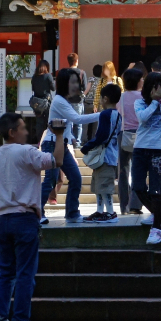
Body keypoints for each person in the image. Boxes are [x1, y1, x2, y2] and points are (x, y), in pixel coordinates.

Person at [0, 112, 65, 321]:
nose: (26, 132)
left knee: (5, 271)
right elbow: (57, 161)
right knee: (25, 272)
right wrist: (59, 136)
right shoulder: (27, 152)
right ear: (12, 132)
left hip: (3, 219)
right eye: (22, 128)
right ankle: (19, 319)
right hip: (25, 218)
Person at [40, 69, 101, 223]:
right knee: (51, 180)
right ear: (63, 83)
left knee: (75, 178)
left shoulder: (65, 100)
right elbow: (77, 118)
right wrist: (103, 114)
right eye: (72, 82)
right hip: (52, 144)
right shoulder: (60, 100)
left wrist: (71, 137)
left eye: (77, 82)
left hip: (62, 144)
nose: (76, 85)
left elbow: (67, 123)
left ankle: (72, 213)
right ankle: (37, 213)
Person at [132, 72, 161, 245]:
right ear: (148, 88)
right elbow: (142, 118)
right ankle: (157, 214)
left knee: (156, 189)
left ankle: (157, 228)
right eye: (155, 86)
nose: (158, 89)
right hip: (140, 149)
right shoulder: (139, 102)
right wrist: (155, 102)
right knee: (138, 186)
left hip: (158, 150)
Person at [82, 83, 123, 222]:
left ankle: (110, 212)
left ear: (105, 99)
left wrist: (87, 146)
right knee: (100, 185)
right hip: (111, 155)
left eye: (100, 98)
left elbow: (101, 135)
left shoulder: (105, 114)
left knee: (104, 186)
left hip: (104, 156)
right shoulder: (118, 115)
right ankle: (100, 211)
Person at [117, 67, 145, 214]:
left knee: (122, 171)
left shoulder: (120, 97)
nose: (143, 80)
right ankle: (135, 204)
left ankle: (123, 205)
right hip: (140, 135)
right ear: (136, 80)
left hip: (123, 134)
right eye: (141, 78)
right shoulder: (143, 97)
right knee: (138, 171)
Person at [29, 60, 55, 125]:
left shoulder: (34, 77)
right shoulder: (48, 76)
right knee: (49, 122)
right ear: (46, 67)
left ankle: (39, 135)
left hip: (37, 103)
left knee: (39, 123)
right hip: (46, 102)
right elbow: (53, 88)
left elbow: (33, 89)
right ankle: (47, 135)